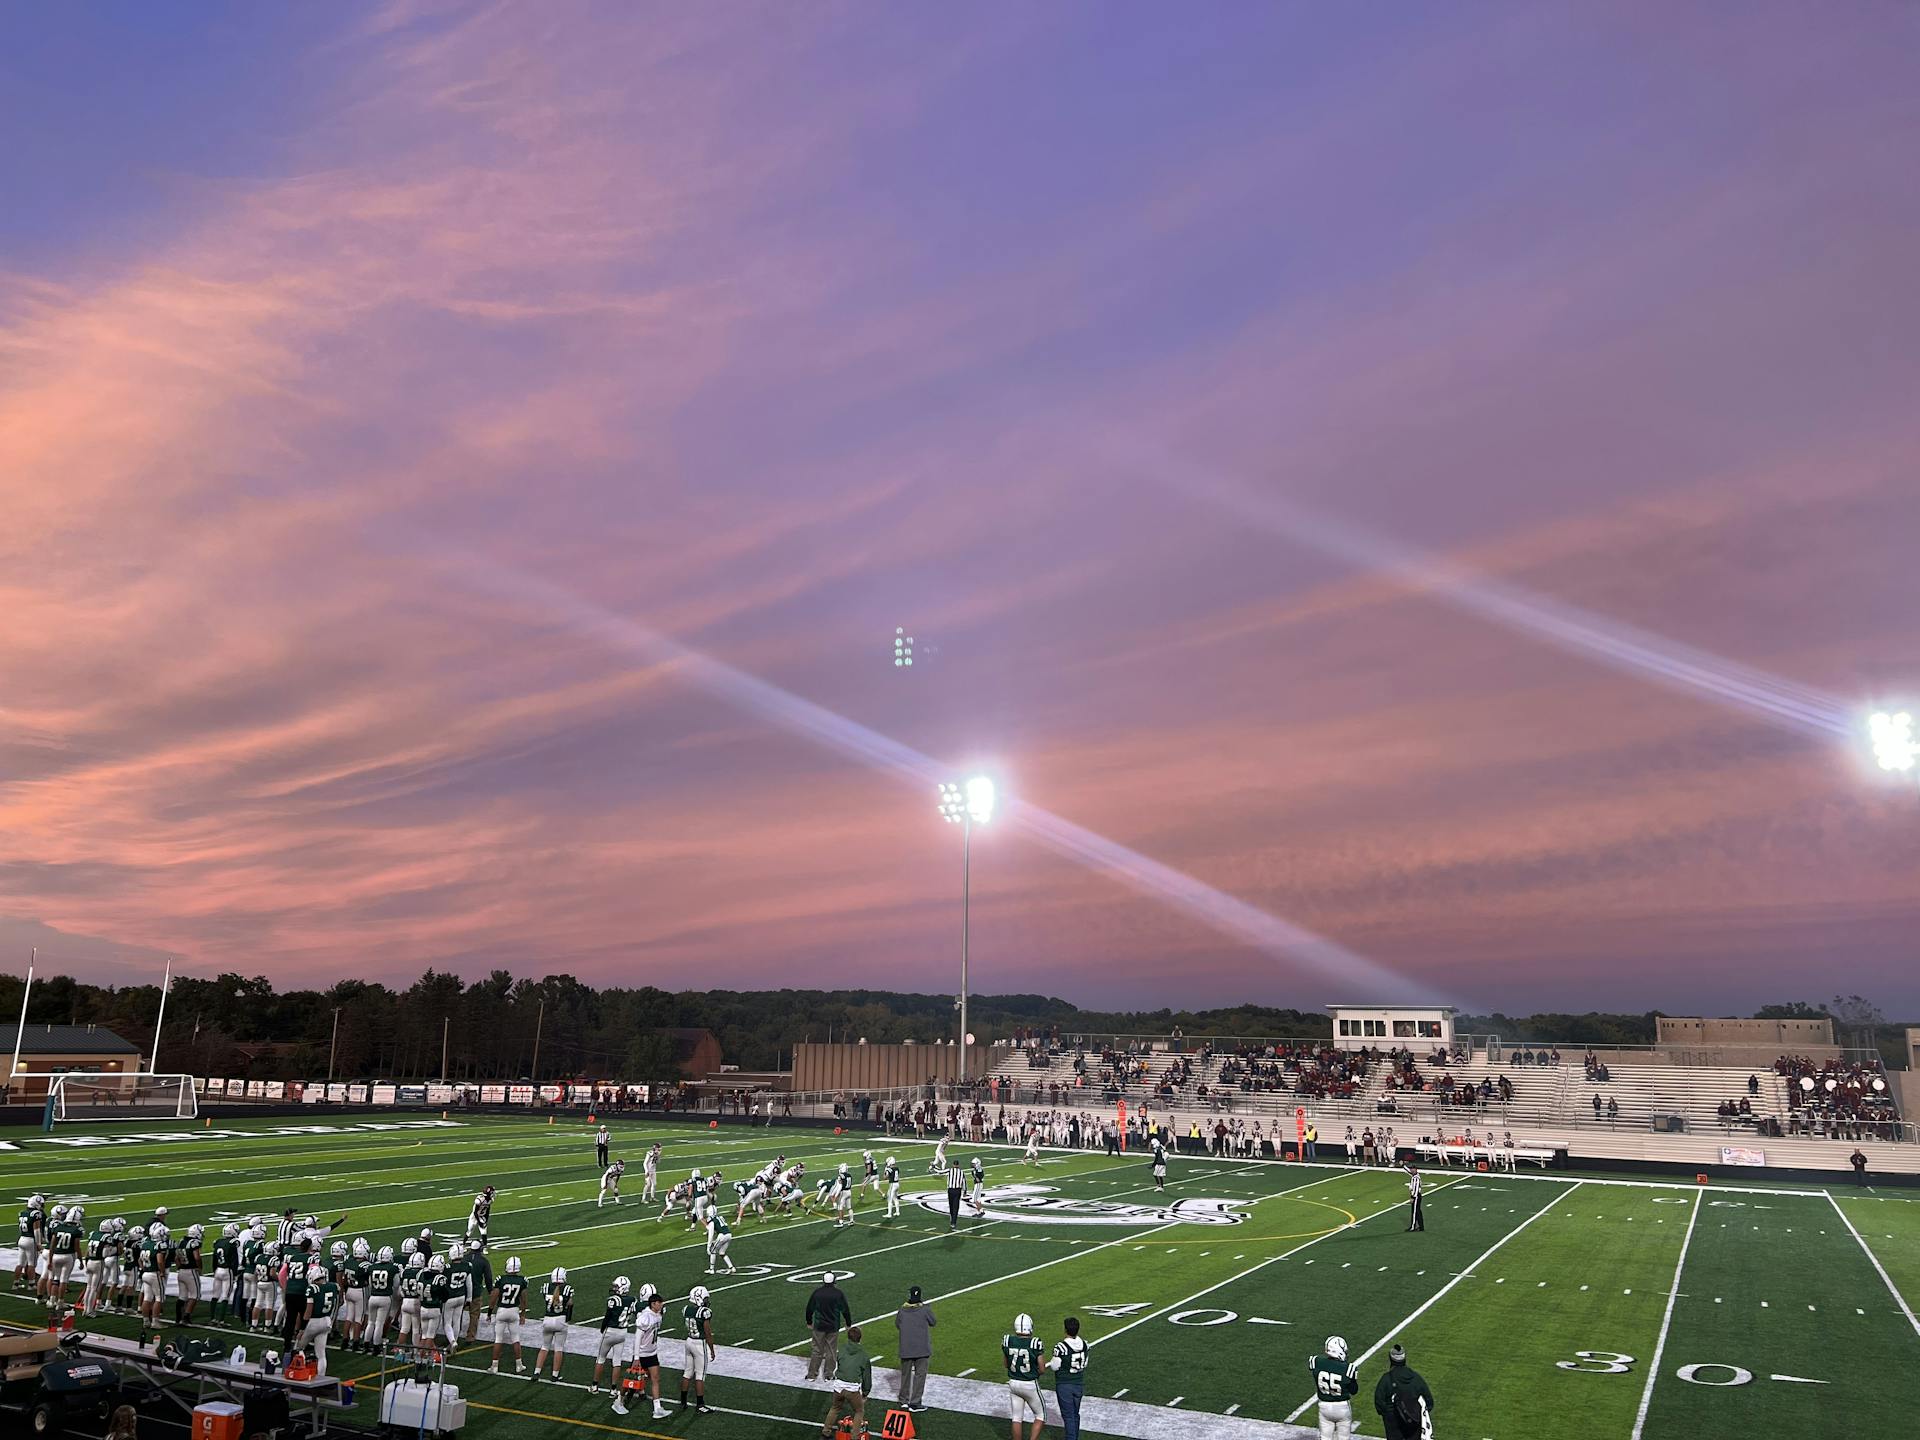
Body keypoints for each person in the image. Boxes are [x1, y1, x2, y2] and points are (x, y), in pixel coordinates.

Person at [612, 1285, 668, 1420]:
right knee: (630, 1380)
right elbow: (637, 1337)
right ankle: (618, 1401)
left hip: (652, 1352)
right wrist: (636, 1356)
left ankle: (657, 1408)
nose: (662, 1306)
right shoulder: (645, 1317)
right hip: (642, 1353)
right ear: (653, 1304)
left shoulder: (657, 1315)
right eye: (659, 1303)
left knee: (655, 1378)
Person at [1373, 1343, 1435, 1440]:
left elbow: (1379, 1402)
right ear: (1404, 1359)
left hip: (1393, 1423)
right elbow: (1429, 1402)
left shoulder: (1387, 1379)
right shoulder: (1416, 1378)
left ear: (1391, 1359)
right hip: (1414, 1422)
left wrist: (1389, 1415)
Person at [822, 1325, 872, 1439]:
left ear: (848, 1337)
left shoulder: (842, 1350)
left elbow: (840, 1365)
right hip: (852, 1389)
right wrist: (865, 1393)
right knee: (859, 1411)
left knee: (835, 1407)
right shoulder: (863, 1355)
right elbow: (867, 1378)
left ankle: (826, 1430)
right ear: (860, 1338)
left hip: (838, 1386)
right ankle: (854, 1436)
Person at [1003, 1312, 1047, 1440]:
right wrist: (1033, 1373)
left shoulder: (1008, 1340)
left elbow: (1006, 1364)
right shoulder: (1035, 1342)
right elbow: (1042, 1368)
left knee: (1016, 1418)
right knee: (1041, 1415)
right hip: (1029, 1384)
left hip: (1013, 1383)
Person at [893, 1285, 935, 1413]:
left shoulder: (902, 1310)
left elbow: (897, 1324)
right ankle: (915, 1403)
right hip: (921, 1348)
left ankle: (903, 1400)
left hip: (906, 1348)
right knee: (920, 1375)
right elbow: (933, 1322)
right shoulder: (925, 1309)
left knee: (905, 1375)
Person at [1309, 1334, 1359, 1440]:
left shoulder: (1317, 1362)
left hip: (1324, 1406)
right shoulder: (1348, 1368)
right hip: (1342, 1408)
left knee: (1325, 1438)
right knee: (1343, 1438)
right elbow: (1354, 1390)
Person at [804, 1271, 851, 1382]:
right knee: (831, 1350)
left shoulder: (817, 1293)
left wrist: (809, 1321)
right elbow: (845, 1309)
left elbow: (809, 1309)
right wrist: (848, 1323)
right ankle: (829, 1375)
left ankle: (812, 1374)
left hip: (819, 1325)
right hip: (832, 1326)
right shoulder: (838, 1293)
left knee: (817, 1350)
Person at [1048, 1315, 1088, 1440]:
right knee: (1075, 1415)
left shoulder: (1061, 1347)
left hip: (1065, 1385)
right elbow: (1085, 1364)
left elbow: (1054, 1366)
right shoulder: (1085, 1344)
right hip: (1078, 1384)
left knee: (1069, 1417)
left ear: (1065, 1330)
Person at [489, 1256, 529, 1374]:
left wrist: (490, 1312)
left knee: (498, 1339)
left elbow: (494, 1297)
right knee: (516, 1339)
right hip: (514, 1311)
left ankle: (494, 1366)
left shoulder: (501, 1279)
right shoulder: (522, 1280)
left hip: (502, 1310)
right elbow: (524, 1299)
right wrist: (523, 1314)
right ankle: (519, 1365)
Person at [534, 1266, 573, 1382]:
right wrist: (568, 1318)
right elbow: (570, 1304)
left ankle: (536, 1372)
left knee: (544, 1347)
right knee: (558, 1348)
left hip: (547, 1319)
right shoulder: (567, 1288)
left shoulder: (546, 1287)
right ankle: (554, 1375)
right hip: (561, 1320)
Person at [680, 1284, 715, 1414]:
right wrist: (711, 1349)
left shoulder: (686, 1309)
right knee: (699, 1375)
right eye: (705, 1298)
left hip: (688, 1341)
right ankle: (700, 1405)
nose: (706, 1301)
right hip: (699, 1344)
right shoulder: (704, 1313)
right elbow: (708, 1333)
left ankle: (683, 1402)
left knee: (687, 1373)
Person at [944, 1160, 967, 1231]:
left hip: (950, 1190)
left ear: (953, 1164)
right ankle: (953, 1221)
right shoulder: (961, 1172)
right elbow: (964, 1182)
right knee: (955, 1206)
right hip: (957, 1190)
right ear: (958, 1165)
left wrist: (933, 1167)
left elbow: (940, 1172)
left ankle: (952, 1219)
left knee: (951, 1205)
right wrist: (965, 1190)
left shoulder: (949, 1170)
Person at [1404, 1164, 1424, 1232]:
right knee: (1418, 1212)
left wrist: (1412, 1197)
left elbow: (1416, 1188)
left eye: (1413, 1169)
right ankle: (1421, 1227)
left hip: (1416, 1196)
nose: (1412, 1170)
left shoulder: (1416, 1178)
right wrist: (1403, 1166)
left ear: (1416, 1169)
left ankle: (1413, 1227)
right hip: (1417, 1196)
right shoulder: (1415, 1175)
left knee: (1414, 1212)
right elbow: (1409, 1171)